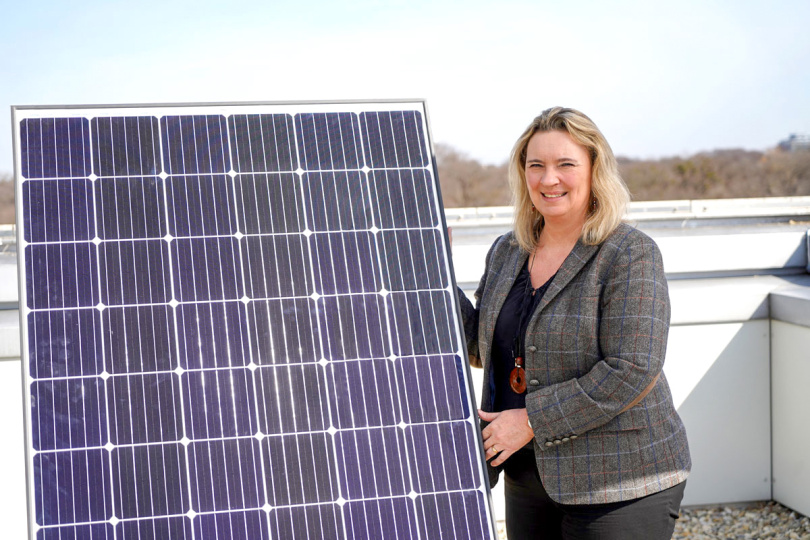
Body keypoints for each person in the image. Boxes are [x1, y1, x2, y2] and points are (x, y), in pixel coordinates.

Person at [458, 107, 691, 539]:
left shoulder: (629, 253)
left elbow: (631, 368)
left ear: (594, 170)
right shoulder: (508, 250)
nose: (549, 179)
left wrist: (530, 421)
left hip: (619, 476)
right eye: (536, 166)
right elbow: (481, 347)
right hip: (529, 473)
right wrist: (426, 272)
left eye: (565, 164)